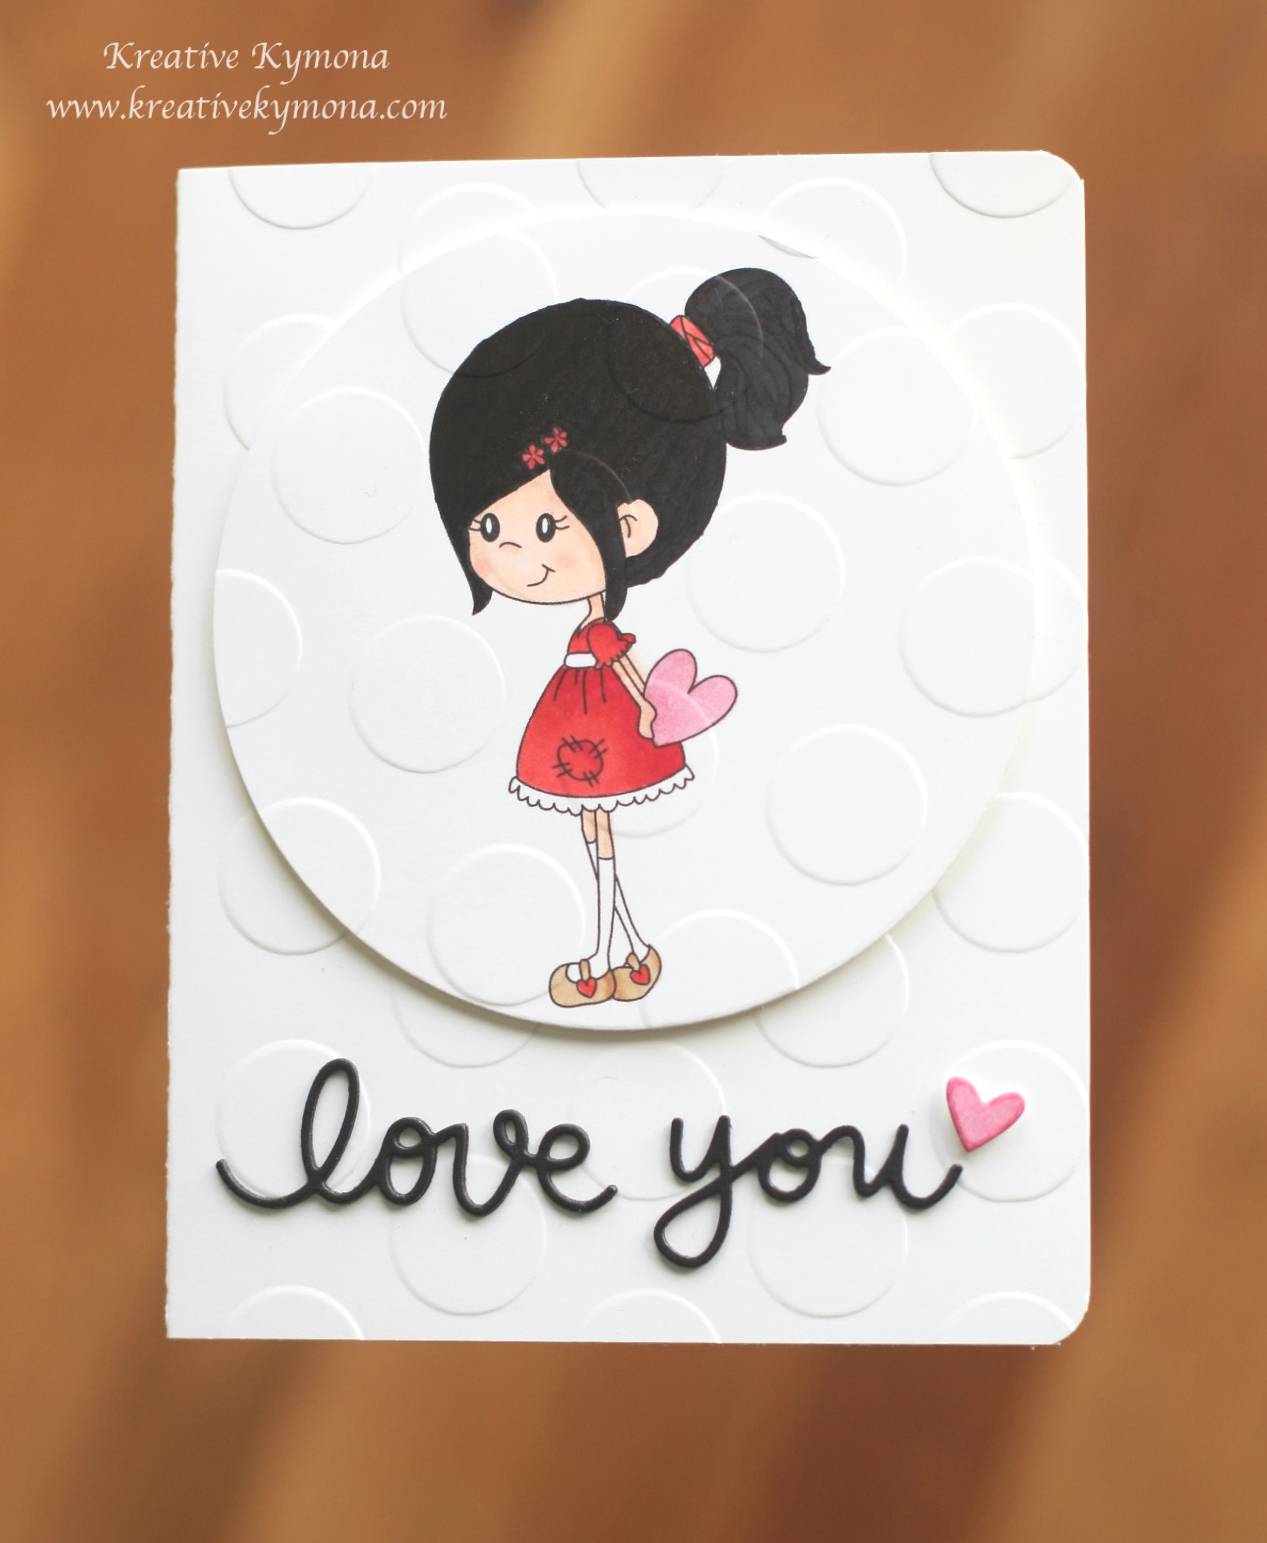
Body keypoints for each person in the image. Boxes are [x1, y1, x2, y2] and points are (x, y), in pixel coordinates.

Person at [430, 267, 826, 1006]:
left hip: (602, 733)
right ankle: (627, 949)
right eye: (487, 525)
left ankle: (608, 951)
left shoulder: (603, 631)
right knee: (595, 834)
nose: (509, 550)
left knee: (599, 835)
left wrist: (656, 713)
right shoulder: (592, 625)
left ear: (633, 524)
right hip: (585, 726)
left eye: (544, 525)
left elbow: (632, 676)